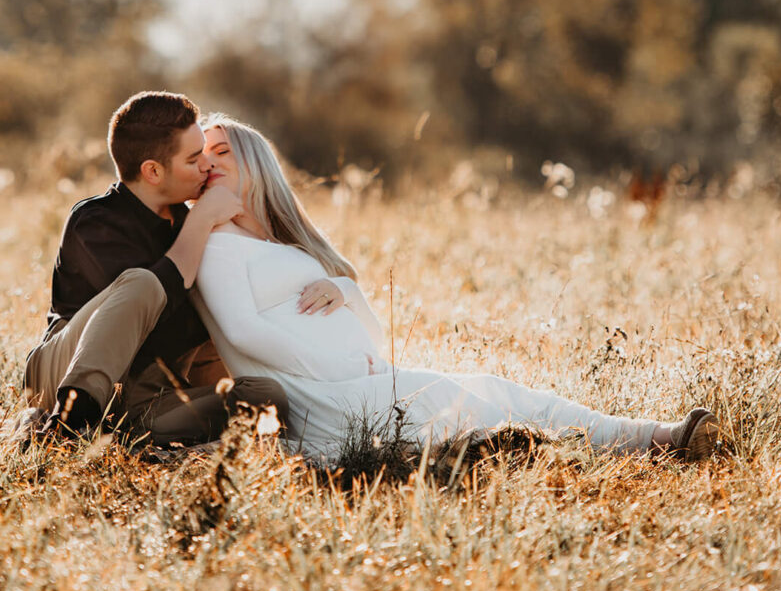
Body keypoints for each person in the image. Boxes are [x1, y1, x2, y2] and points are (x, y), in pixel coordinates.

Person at [186, 114, 721, 464]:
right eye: (200, 154)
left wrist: (345, 292)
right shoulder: (213, 244)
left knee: (497, 399)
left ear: (256, 164)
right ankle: (652, 439)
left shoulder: (289, 246)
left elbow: (374, 334)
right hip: (319, 399)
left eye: (221, 151)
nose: (207, 162)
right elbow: (242, 330)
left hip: (364, 380)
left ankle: (652, 437)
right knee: (483, 399)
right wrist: (337, 369)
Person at [19, 91, 294, 447]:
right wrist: (205, 217)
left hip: (148, 395)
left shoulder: (189, 226)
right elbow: (151, 312)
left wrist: (335, 287)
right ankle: (66, 426)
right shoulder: (96, 221)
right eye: (194, 159)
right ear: (153, 171)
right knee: (142, 285)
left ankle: (131, 443)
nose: (207, 167)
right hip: (61, 374)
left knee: (265, 394)